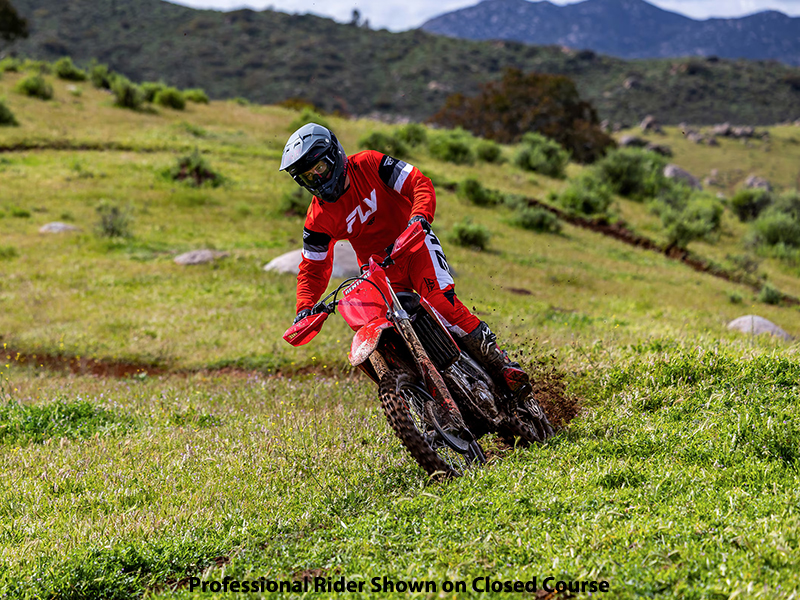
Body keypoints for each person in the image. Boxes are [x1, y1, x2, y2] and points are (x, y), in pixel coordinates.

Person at [280, 122, 530, 398]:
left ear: (334, 156)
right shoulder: (317, 219)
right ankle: (427, 403)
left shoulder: (371, 163)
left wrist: (420, 217)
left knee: (441, 305)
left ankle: (502, 366)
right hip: (377, 274)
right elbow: (312, 269)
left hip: (415, 246)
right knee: (383, 329)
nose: (318, 178)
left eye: (320, 169)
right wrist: (304, 308)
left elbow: (417, 182)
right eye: (309, 177)